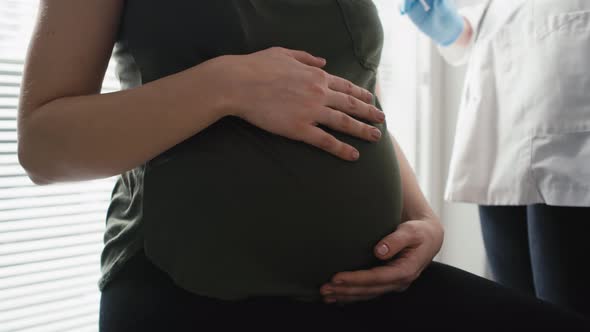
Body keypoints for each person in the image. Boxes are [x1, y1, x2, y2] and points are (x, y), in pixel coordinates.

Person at [18, 0, 588, 331]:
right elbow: (42, 146)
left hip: (367, 287)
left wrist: (421, 218)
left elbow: (353, 96)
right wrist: (227, 84)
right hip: (190, 294)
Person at [403, 0, 590, 317]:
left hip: (569, 118)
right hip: (499, 117)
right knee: (512, 312)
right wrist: (455, 29)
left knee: (565, 308)